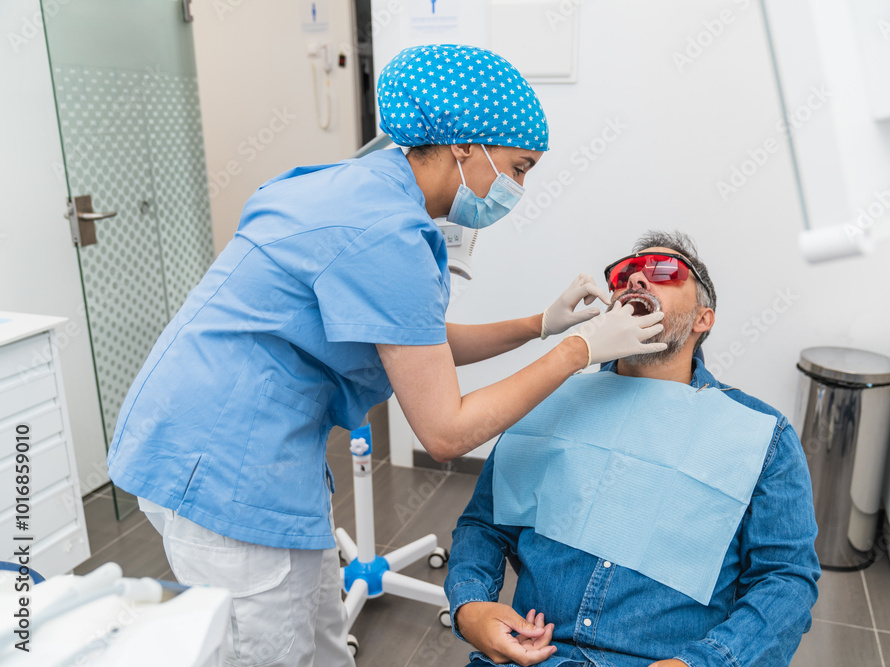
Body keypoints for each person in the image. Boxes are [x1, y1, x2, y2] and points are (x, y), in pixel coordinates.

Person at [105, 45, 667, 667]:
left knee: (317, 639)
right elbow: (446, 431)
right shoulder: (388, 232)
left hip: (221, 436)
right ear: (464, 146)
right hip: (220, 466)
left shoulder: (360, 185)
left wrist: (539, 325)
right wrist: (579, 350)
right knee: (269, 652)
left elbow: (413, 340)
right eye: (518, 167)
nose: (517, 189)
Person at [445, 231, 821, 667]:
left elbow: (786, 580)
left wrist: (704, 662)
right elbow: (485, 525)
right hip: (532, 655)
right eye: (624, 273)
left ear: (704, 319)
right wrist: (470, 606)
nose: (637, 279)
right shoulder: (550, 399)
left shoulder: (758, 435)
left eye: (664, 271)